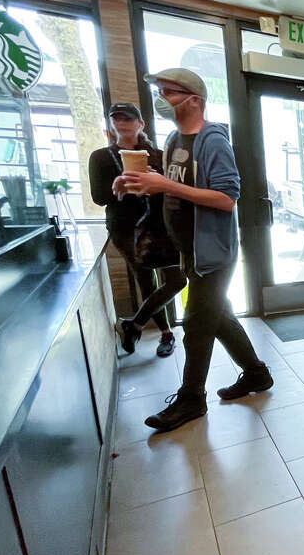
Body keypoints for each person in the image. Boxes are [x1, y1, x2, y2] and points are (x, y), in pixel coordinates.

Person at [118, 68, 272, 432]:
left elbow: (226, 198)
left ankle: (191, 399)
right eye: (160, 91)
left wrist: (166, 185)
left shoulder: (212, 141)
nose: (162, 99)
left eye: (169, 92)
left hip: (213, 253)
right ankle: (256, 374)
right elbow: (175, 187)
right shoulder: (173, 139)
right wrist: (144, 185)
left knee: (197, 324)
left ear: (194, 100)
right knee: (219, 317)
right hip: (188, 250)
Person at [88, 103, 183, 357]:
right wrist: (122, 184)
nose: (121, 122)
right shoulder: (101, 157)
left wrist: (157, 180)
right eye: (116, 118)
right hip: (125, 227)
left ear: (140, 124)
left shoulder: (158, 155)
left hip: (160, 225)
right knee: (145, 279)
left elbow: (172, 189)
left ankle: (134, 324)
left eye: (128, 119)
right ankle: (166, 334)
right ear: (110, 123)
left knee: (177, 279)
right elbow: (99, 197)